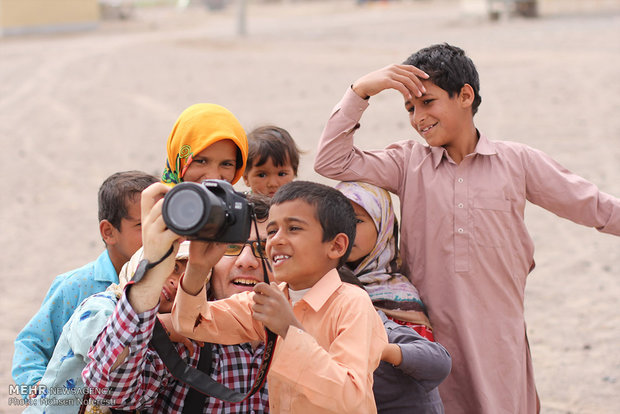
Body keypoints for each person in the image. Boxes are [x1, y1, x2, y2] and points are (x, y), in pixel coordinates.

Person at [313, 43, 620, 413]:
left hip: (498, 337)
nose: (417, 117)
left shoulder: (516, 162)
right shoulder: (408, 164)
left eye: (427, 102)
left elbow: (591, 204)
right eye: (410, 108)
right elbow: (331, 160)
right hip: (433, 339)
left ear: (465, 95)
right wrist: (360, 90)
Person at [171, 180, 387, 413]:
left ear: (336, 246)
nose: (276, 240)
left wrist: (288, 329)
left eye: (293, 228)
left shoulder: (353, 303)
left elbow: (350, 398)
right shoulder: (271, 298)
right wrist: (197, 268)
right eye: (272, 231)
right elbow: (191, 323)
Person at [83, 192, 271, 413]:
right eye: (231, 246)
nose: (247, 261)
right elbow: (109, 393)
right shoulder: (182, 333)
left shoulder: (307, 326)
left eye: (262, 249)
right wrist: (152, 272)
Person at [12, 170, 158, 399]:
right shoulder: (76, 287)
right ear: (109, 232)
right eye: (142, 225)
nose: (155, 234)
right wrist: (40, 393)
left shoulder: (168, 284)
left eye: (160, 223)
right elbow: (31, 345)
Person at [24, 242, 190, 413]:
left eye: (186, 282)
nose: (175, 283)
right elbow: (105, 354)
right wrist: (160, 328)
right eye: (174, 267)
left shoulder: (173, 343)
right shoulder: (101, 307)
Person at [336, 181, 451, 414]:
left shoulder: (400, 296)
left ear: (383, 225)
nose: (346, 230)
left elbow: (422, 370)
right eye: (337, 220)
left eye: (357, 221)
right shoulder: (319, 280)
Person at [161, 103, 248, 186]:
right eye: (201, 161)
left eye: (226, 164)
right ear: (179, 157)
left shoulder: (244, 201)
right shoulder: (153, 199)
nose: (213, 177)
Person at [242, 125, 301, 197]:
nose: (273, 184)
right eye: (262, 175)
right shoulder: (242, 206)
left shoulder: (300, 205)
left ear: (294, 172)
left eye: (281, 174)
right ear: (246, 178)